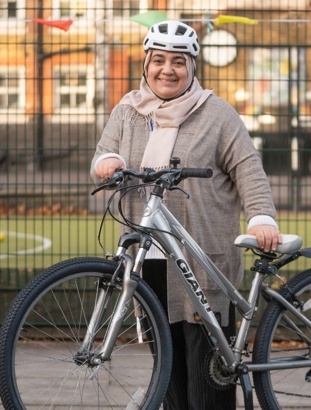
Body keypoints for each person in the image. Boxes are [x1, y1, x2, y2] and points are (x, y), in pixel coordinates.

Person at [90, 20, 281, 410]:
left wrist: (261, 216)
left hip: (203, 257)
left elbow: (249, 170)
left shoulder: (216, 114)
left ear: (192, 67)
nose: (167, 70)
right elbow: (103, 154)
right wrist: (108, 162)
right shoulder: (127, 110)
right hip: (146, 258)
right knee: (168, 369)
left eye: (178, 62)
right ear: (146, 64)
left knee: (206, 374)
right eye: (158, 60)